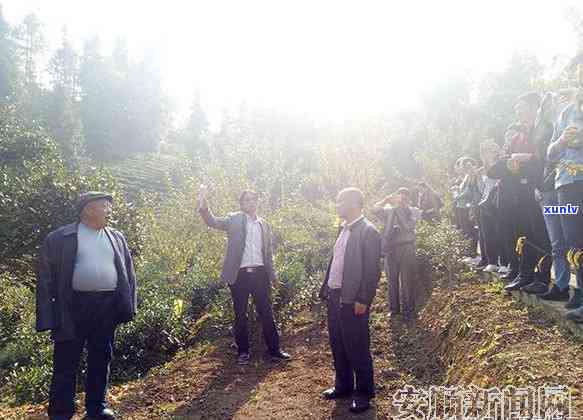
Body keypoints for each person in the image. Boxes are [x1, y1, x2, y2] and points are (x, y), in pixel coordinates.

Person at [36, 192, 138, 420]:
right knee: (66, 360)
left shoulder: (116, 237)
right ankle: (61, 412)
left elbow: (129, 274)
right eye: (104, 206)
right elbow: (45, 278)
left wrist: (129, 304)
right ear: (88, 209)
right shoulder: (60, 238)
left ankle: (97, 408)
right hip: (72, 307)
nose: (109, 210)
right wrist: (48, 315)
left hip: (107, 307)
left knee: (101, 357)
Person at [198, 188, 290, 364]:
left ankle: (274, 350)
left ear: (257, 202)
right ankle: (243, 352)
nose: (251, 202)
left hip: (261, 275)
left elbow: (268, 253)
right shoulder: (234, 219)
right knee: (240, 314)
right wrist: (203, 204)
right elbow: (212, 221)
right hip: (239, 276)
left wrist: (273, 276)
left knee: (266, 312)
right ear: (241, 204)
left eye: (253, 199)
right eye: (247, 200)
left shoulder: (264, 224)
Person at [318, 187, 381, 414]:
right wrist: (326, 288)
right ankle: (343, 386)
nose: (337, 205)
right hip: (335, 297)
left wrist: (363, 298)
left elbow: (372, 271)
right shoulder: (343, 229)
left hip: (354, 300)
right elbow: (336, 261)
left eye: (339, 201)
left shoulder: (368, 232)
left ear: (353, 203)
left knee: (357, 346)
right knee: (338, 343)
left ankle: (363, 393)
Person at [547, 55, 583, 321]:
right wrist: (561, 141)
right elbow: (549, 153)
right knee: (574, 242)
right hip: (567, 186)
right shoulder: (565, 113)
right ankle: (580, 293)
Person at [373, 187, 422, 319]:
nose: (402, 199)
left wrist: (399, 209)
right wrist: (386, 200)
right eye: (400, 196)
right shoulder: (389, 210)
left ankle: (409, 311)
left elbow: (409, 226)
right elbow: (375, 209)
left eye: (405, 196)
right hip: (391, 248)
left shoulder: (414, 211)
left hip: (407, 247)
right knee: (391, 280)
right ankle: (394, 310)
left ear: (409, 199)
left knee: (407, 280)